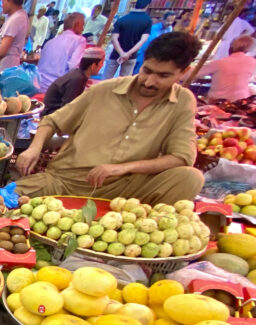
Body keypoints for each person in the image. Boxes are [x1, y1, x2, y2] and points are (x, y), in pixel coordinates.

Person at [15, 32, 204, 205]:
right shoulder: (104, 90)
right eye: (147, 71)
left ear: (184, 72)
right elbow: (52, 121)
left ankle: (138, 223)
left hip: (128, 190)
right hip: (68, 181)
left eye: (163, 76)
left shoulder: (183, 101)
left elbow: (181, 157)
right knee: (8, 198)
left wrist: (124, 168)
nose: (149, 82)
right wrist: (34, 149)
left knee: (190, 178)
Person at [41, 46, 105, 116]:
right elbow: (68, 109)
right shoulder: (77, 79)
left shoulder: (78, 75)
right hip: (51, 115)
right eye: (101, 63)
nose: (102, 65)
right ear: (93, 66)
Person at [193, 35, 256, 101]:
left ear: (231, 47)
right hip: (241, 100)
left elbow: (194, 73)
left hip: (217, 101)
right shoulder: (252, 62)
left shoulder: (219, 63)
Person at [103, 0, 153, 79]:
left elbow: (114, 38)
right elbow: (143, 40)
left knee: (106, 79)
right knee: (124, 82)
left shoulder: (122, 19)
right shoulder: (147, 21)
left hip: (116, 53)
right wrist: (128, 54)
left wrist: (121, 53)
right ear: (147, 5)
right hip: (131, 56)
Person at [36, 12, 87, 90]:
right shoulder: (79, 40)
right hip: (56, 88)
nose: (83, 29)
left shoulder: (50, 42)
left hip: (38, 85)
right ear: (77, 25)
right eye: (82, 25)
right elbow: (73, 67)